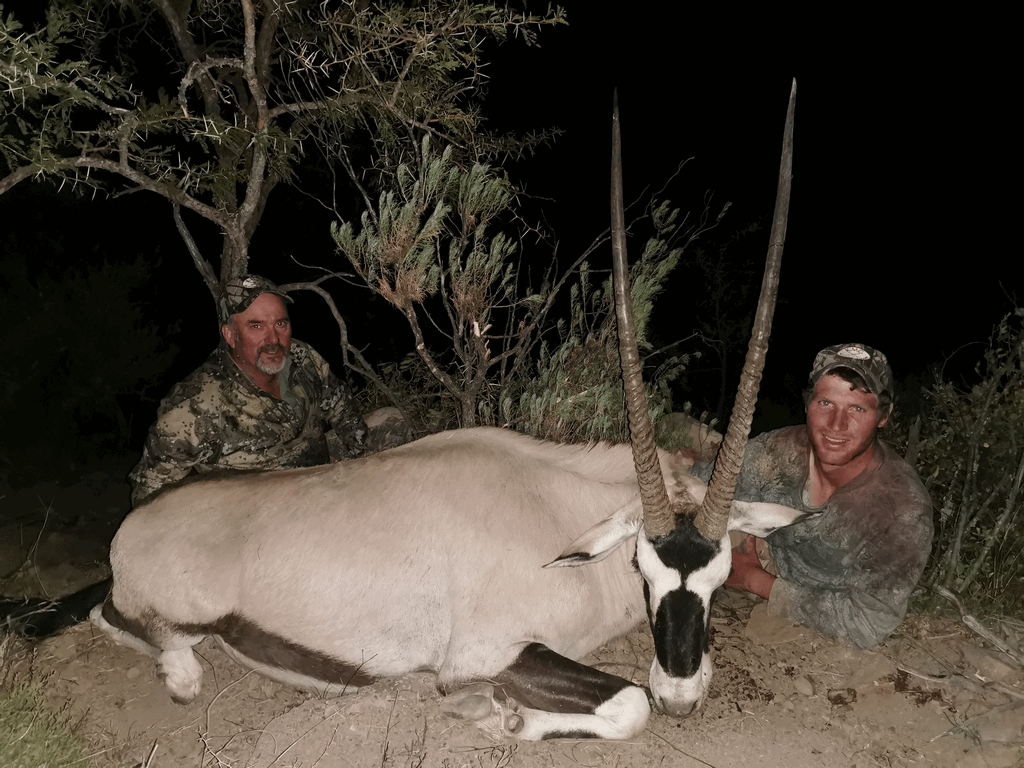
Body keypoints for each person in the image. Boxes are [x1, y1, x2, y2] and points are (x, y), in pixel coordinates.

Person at [693, 343, 933, 649]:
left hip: (805, 603)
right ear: (808, 403)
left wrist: (755, 581)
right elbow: (699, 486)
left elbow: (867, 623)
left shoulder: (902, 510)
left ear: (883, 416)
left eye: (857, 408)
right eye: (825, 403)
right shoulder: (777, 451)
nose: (836, 425)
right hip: (756, 550)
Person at [129, 274, 408, 505]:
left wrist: (364, 467)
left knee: (392, 422)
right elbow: (150, 499)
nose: (273, 339)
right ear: (230, 336)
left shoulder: (301, 357)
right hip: (260, 515)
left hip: (320, 473)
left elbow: (342, 409)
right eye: (256, 326)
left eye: (280, 324)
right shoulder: (195, 405)